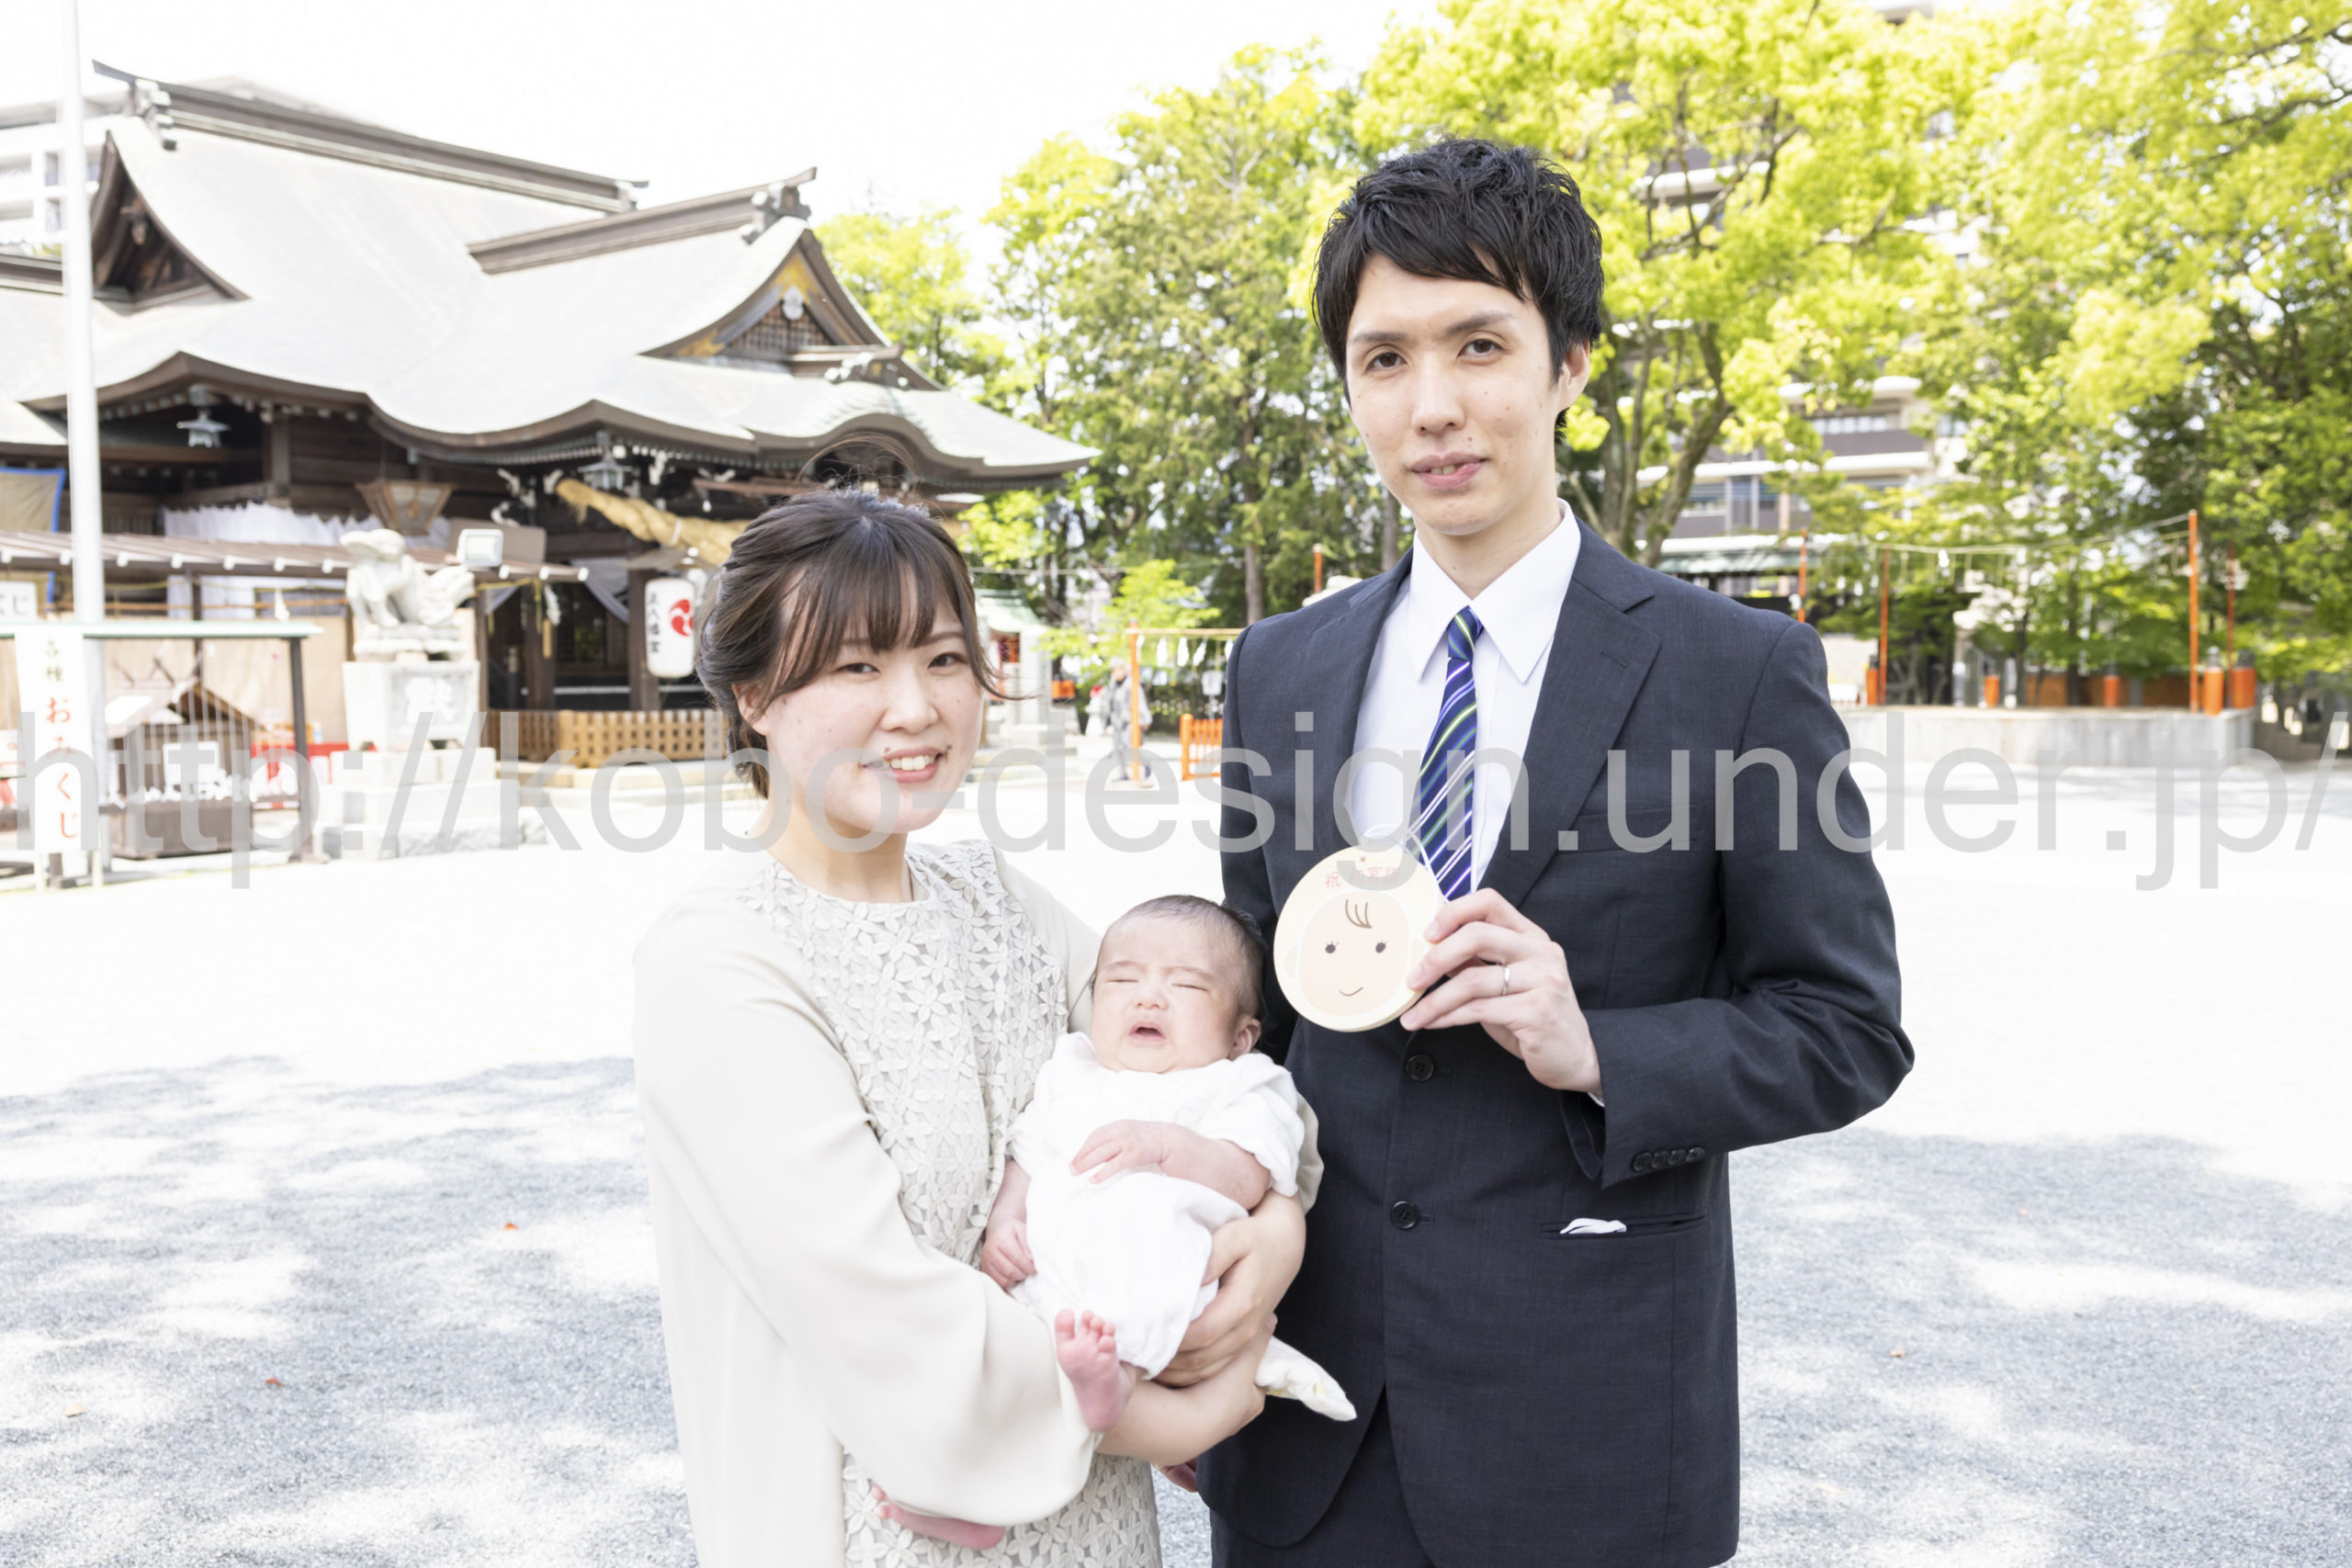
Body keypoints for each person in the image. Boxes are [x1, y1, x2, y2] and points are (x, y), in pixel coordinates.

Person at [1199, 139, 1911, 1567]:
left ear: (1570, 362)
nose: (1433, 405)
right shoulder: (1279, 669)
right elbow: (1257, 1021)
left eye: (1480, 344)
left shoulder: (1737, 672)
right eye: (1384, 358)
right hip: (1305, 1426)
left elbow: (1847, 1026)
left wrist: (1601, 1047)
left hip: (1587, 1422)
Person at [631, 490, 1310, 1568]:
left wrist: (1272, 1237)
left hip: (1091, 1532)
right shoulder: (722, 961)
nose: (915, 708)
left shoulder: (992, 900)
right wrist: (1191, 1413)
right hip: (873, 1531)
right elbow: (885, 1323)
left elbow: (1224, 1080)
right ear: (753, 694)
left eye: (944, 659)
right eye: (856, 666)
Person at [982, 895, 1355, 1435]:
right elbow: (1027, 1158)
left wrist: (1165, 1146)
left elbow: (1251, 1176)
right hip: (1058, 1272)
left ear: (1241, 1037)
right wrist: (1005, 1223)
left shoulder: (1241, 1083)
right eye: (1122, 980)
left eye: (1186, 986)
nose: (1148, 998)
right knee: (1006, 1322)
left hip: (1164, 1267)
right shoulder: (1072, 1074)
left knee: (1152, 1230)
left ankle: (1121, 1378)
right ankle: (1055, 1394)